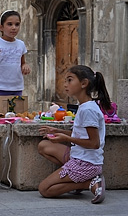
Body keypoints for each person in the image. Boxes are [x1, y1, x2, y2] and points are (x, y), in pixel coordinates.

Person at [37, 65, 111, 204]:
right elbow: (81, 134)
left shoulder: (88, 110)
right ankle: (78, 178)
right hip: (78, 155)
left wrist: (66, 138)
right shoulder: (84, 106)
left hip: (86, 162)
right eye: (65, 80)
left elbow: (94, 144)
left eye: (70, 80)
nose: (65, 84)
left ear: (84, 83)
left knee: (44, 189)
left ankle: (88, 182)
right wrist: (57, 131)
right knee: (44, 146)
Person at [0, 10, 31, 115]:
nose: (14, 27)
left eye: (17, 24)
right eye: (9, 24)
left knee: (16, 121)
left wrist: (25, 66)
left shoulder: (21, 44)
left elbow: (22, 62)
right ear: (1, 27)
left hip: (16, 88)